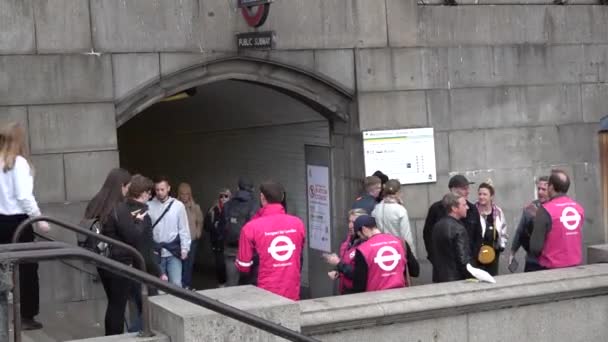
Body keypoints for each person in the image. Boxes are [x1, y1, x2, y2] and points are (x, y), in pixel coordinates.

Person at [0, 122, 50, 330]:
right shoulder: (19, 163)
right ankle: (26, 315)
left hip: (1, 221)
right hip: (18, 221)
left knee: (4, 267)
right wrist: (39, 218)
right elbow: (24, 196)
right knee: (28, 268)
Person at [235, 181, 305, 300]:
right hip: (292, 292)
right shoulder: (298, 224)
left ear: (262, 197)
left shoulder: (251, 228)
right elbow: (298, 255)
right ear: (282, 197)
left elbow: (243, 266)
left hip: (262, 294)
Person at [84, 167, 134, 335]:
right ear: (121, 186)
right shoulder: (119, 208)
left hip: (103, 261)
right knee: (118, 305)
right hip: (119, 261)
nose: (128, 191)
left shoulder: (98, 202)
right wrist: (139, 223)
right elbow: (131, 235)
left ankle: (111, 337)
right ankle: (115, 338)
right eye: (127, 187)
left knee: (113, 303)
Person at [124, 175, 163, 333]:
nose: (150, 196)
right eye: (149, 192)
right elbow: (146, 249)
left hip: (128, 266)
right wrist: (158, 271)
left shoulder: (122, 210)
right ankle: (133, 335)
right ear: (143, 193)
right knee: (150, 310)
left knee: (141, 309)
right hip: (143, 269)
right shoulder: (143, 216)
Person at [530, 170, 585, 269]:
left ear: (550, 187)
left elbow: (535, 247)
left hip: (552, 268)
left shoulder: (545, 210)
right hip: (576, 267)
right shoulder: (578, 208)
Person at [423, 174, 482, 265]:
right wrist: (434, 257)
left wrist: (473, 258)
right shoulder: (436, 209)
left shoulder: (472, 209)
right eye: (464, 188)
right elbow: (428, 235)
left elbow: (478, 236)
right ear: (453, 190)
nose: (468, 191)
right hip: (445, 265)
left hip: (468, 263)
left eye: (468, 188)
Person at [351, 215, 419, 293]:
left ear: (364, 229)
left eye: (359, 235)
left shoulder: (362, 250)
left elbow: (359, 286)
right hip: (401, 295)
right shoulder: (400, 242)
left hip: (375, 299)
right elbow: (415, 271)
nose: (361, 238)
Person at [148, 176, 191, 287]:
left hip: (173, 251)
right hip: (156, 252)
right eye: (157, 190)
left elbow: (183, 229)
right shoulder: (148, 206)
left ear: (168, 188)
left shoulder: (178, 206)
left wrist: (185, 248)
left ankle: (177, 304)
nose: (160, 192)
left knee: (176, 283)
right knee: (159, 286)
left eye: (162, 189)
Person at [220, 177, 258, 287]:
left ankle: (229, 304)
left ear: (237, 188)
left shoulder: (227, 205)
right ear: (253, 189)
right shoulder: (255, 205)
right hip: (248, 251)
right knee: (248, 285)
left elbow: (222, 227)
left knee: (231, 284)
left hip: (230, 249)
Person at [322, 208, 367, 295]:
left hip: (357, 293)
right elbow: (346, 263)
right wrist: (337, 271)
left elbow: (358, 274)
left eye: (354, 222)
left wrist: (338, 263)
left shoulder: (366, 245)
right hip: (344, 289)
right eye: (349, 222)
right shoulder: (348, 240)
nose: (350, 226)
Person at [509, 176, 549, 272]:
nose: (540, 192)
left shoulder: (555, 208)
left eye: (544, 189)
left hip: (549, 261)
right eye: (538, 189)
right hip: (532, 260)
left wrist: (537, 216)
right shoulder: (531, 207)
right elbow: (520, 230)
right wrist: (512, 252)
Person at [431, 193, 472, 283]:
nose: (467, 207)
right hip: (456, 280)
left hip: (439, 278)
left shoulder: (437, 226)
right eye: (464, 205)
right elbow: (463, 260)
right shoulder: (459, 229)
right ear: (454, 208)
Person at [372, 179, 416, 256]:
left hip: (380, 250)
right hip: (397, 250)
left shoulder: (376, 209)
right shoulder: (400, 210)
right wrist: (412, 255)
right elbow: (406, 236)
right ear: (398, 193)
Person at [475, 181, 507, 276]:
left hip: (493, 253)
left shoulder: (498, 211)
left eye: (485, 194)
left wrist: (502, 245)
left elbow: (503, 230)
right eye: (480, 194)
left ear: (491, 196)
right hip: (477, 254)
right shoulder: (472, 211)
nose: (481, 197)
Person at [177, 182, 203, 290]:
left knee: (189, 264)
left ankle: (186, 285)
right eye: (182, 194)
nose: (184, 196)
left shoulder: (195, 207)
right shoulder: (175, 206)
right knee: (180, 264)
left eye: (187, 194)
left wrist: (198, 233)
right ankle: (180, 285)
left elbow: (200, 221)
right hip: (179, 241)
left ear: (190, 194)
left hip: (192, 240)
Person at [203, 188, 232, 287]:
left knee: (231, 267)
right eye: (221, 196)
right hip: (217, 243)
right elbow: (206, 226)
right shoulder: (213, 210)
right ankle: (222, 285)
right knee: (220, 265)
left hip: (230, 243)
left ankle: (231, 284)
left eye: (226, 196)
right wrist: (214, 226)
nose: (223, 198)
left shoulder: (233, 209)